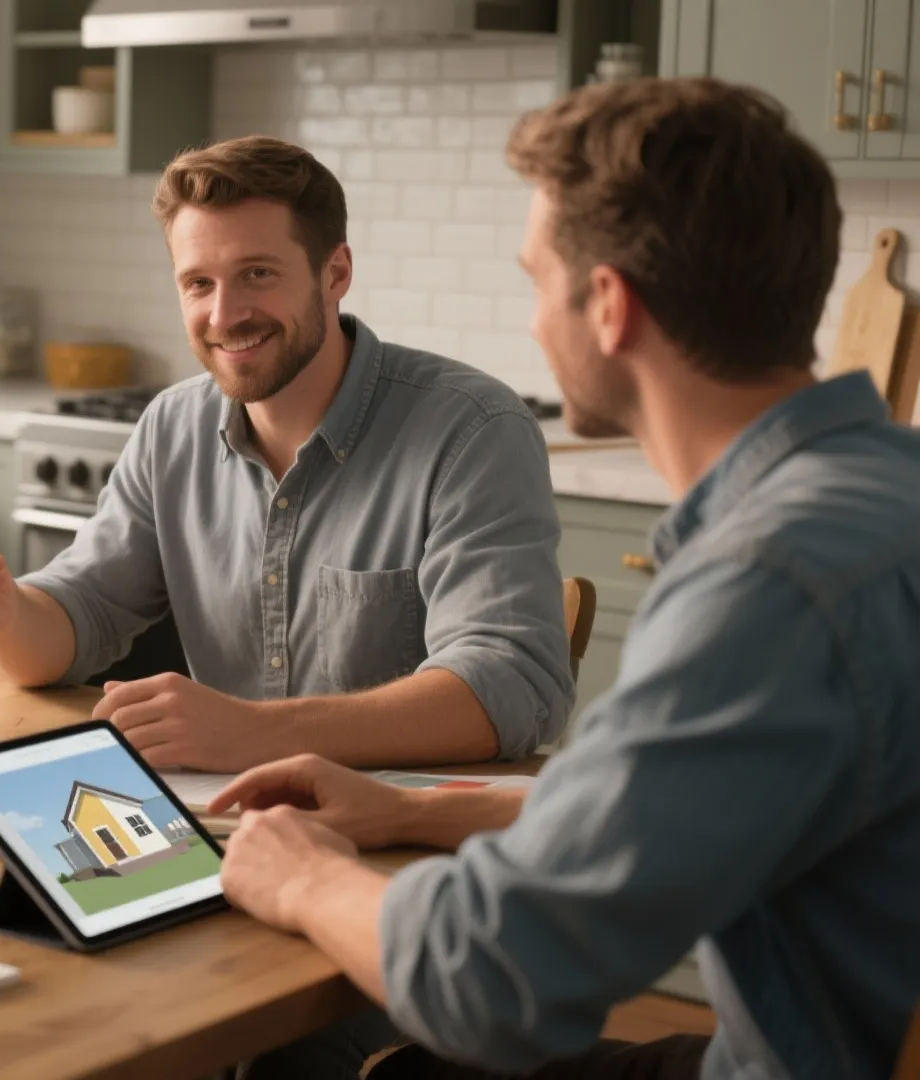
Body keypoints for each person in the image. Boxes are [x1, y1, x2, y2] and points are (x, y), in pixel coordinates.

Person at [210, 77, 920, 1078]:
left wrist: (303, 881)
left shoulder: (767, 586)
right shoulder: (884, 489)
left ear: (608, 304)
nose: (536, 324)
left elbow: (493, 980)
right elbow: (665, 803)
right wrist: (411, 812)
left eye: (535, 280)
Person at [0, 135, 573, 775]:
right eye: (198, 283)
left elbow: (510, 688)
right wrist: (5, 616)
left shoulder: (472, 431)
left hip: (406, 840)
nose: (225, 314)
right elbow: (77, 617)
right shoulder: (172, 427)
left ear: (335, 272)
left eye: (257, 274)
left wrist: (252, 733)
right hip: (227, 820)